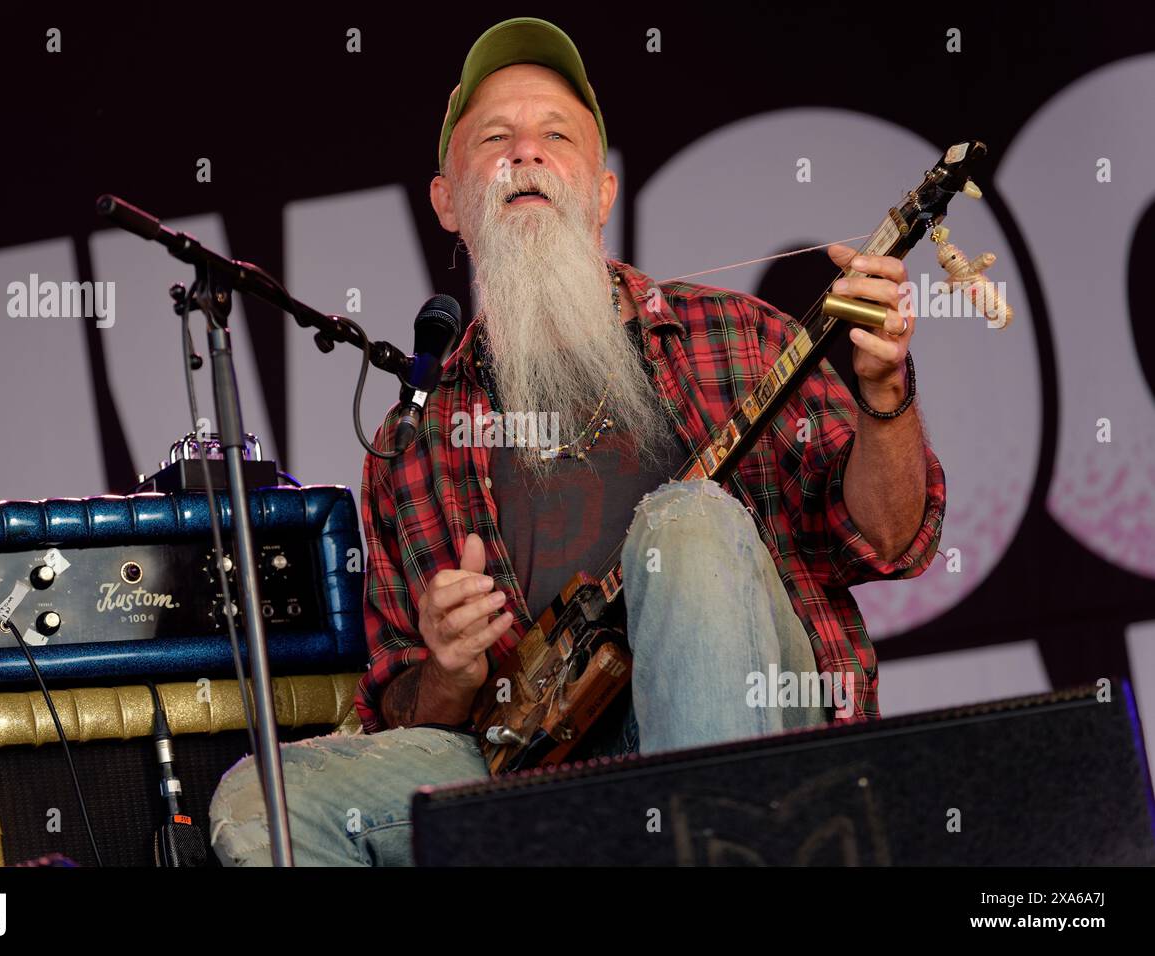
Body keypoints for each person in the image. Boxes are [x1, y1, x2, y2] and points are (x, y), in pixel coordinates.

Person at [209, 16, 945, 866]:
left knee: (686, 525)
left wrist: (884, 393)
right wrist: (447, 668)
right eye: (496, 138)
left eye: (555, 136)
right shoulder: (412, 440)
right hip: (546, 781)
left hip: (760, 741)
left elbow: (893, 541)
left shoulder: (739, 337)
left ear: (600, 190)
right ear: (448, 200)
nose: (526, 154)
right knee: (260, 800)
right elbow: (408, 711)